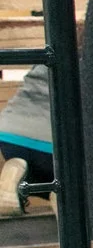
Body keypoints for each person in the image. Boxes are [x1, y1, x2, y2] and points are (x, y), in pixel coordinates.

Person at [0, 64, 52, 216]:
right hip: (50, 143)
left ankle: (15, 176)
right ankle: (63, 196)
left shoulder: (48, 51)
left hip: (10, 136)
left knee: (40, 172)